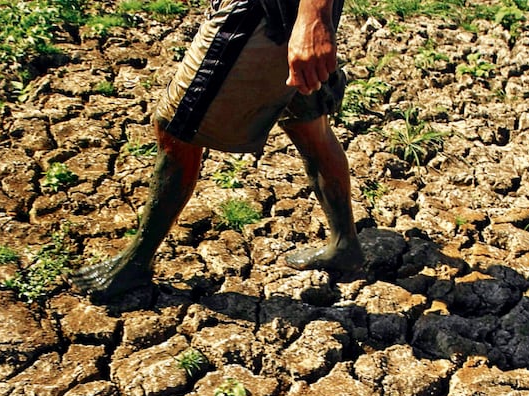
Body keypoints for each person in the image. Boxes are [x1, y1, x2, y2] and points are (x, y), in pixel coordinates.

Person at [68, 0, 364, 300]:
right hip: (286, 16)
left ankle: (135, 262)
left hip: (261, 14)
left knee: (176, 128)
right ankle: (344, 245)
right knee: (308, 123)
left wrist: (314, 16)